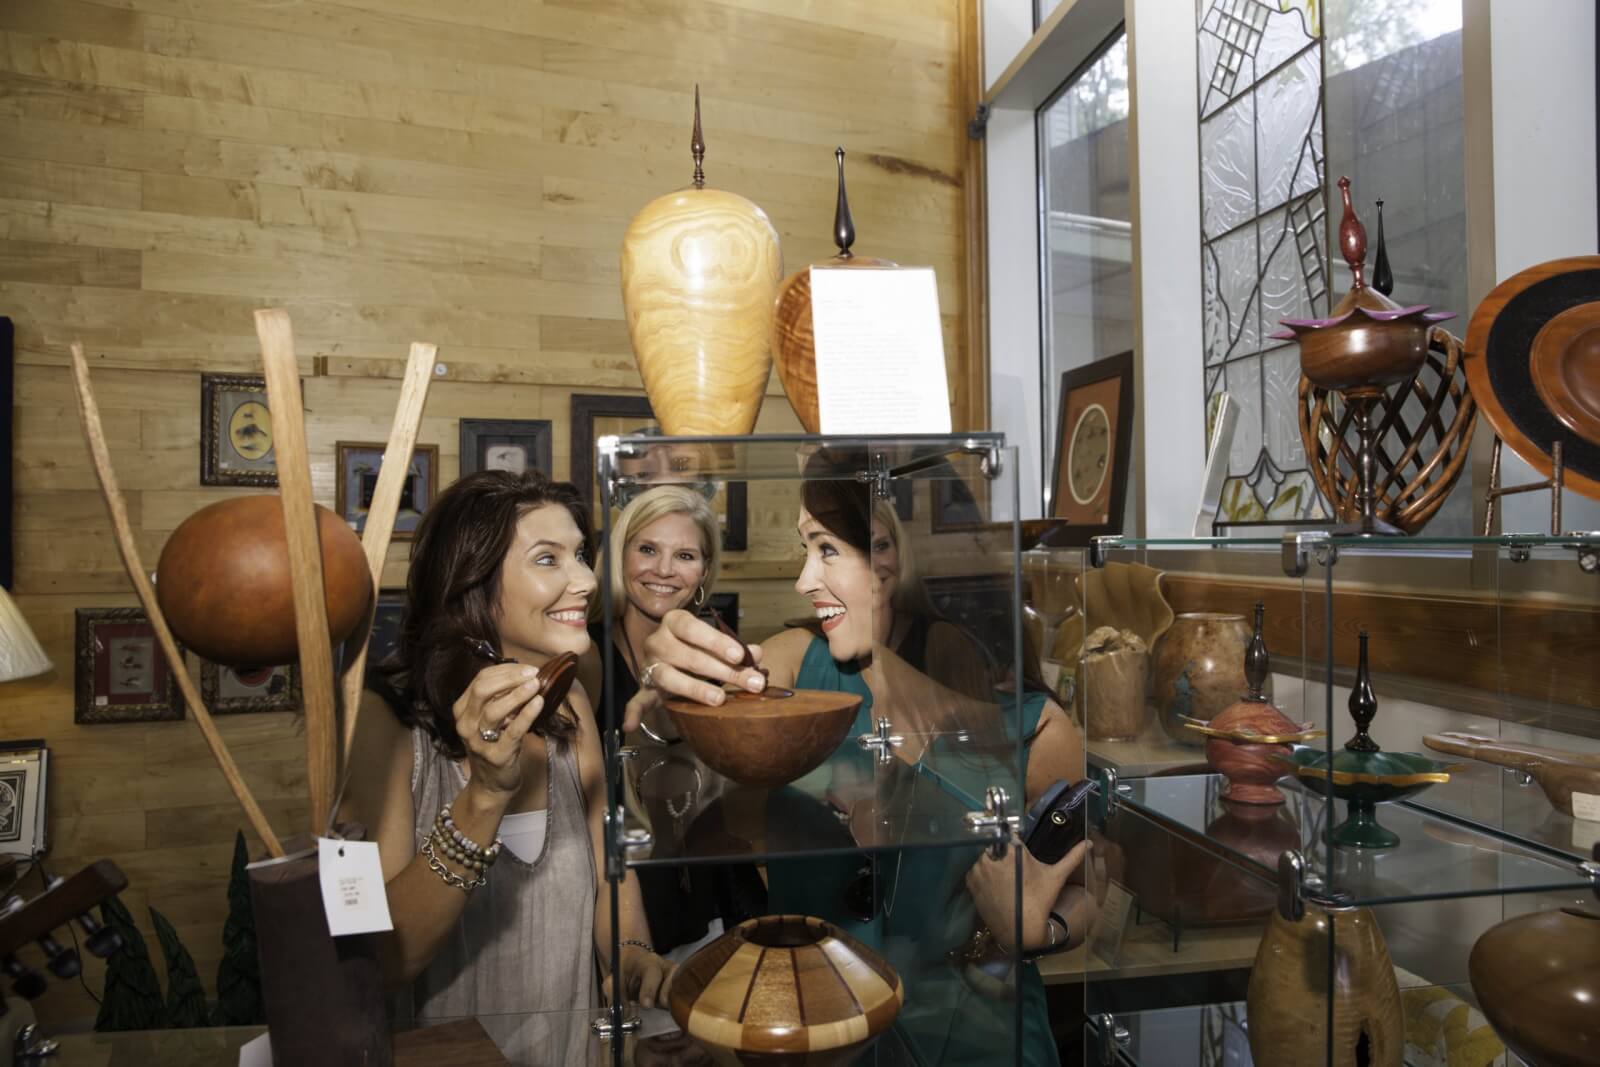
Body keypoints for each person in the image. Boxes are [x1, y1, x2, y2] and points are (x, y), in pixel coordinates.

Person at [627, 461, 1091, 1066]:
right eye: (804, 549)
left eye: (825, 549)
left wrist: (1039, 930)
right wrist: (669, 690)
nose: (802, 580)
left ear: (889, 555)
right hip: (816, 1044)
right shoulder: (797, 671)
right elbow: (693, 741)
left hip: (982, 1045)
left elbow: (1092, 889)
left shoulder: (1036, 727)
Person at [342, 469, 673, 1066]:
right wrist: (485, 797)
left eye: (580, 555)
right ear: (473, 583)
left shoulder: (569, 707)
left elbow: (608, 875)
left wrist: (631, 953)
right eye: (549, 559)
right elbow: (381, 962)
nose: (586, 580)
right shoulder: (386, 728)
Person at [576, 483, 766, 953]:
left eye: (685, 556)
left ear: (704, 571)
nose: (664, 570)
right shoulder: (587, 655)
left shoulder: (715, 646)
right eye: (647, 549)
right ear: (619, 557)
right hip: (623, 906)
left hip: (715, 894)